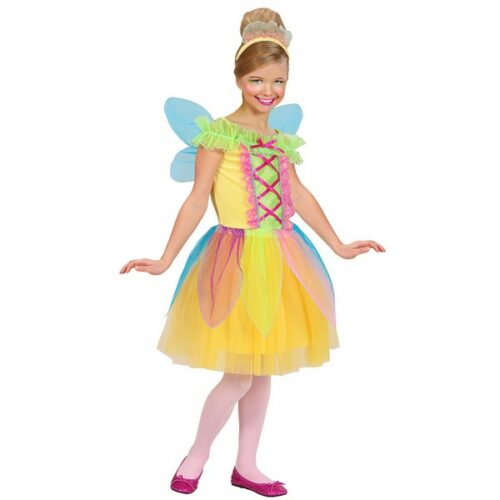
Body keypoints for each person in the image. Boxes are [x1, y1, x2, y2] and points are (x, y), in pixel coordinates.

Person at [119, 7, 385, 497]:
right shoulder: (218, 134)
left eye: (278, 81)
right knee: (239, 374)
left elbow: (299, 194)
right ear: (239, 78)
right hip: (236, 259)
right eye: (257, 80)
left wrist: (339, 245)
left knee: (262, 369)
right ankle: (196, 455)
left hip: (282, 256)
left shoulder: (281, 139)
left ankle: (247, 465)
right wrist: (165, 258)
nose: (269, 90)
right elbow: (197, 199)